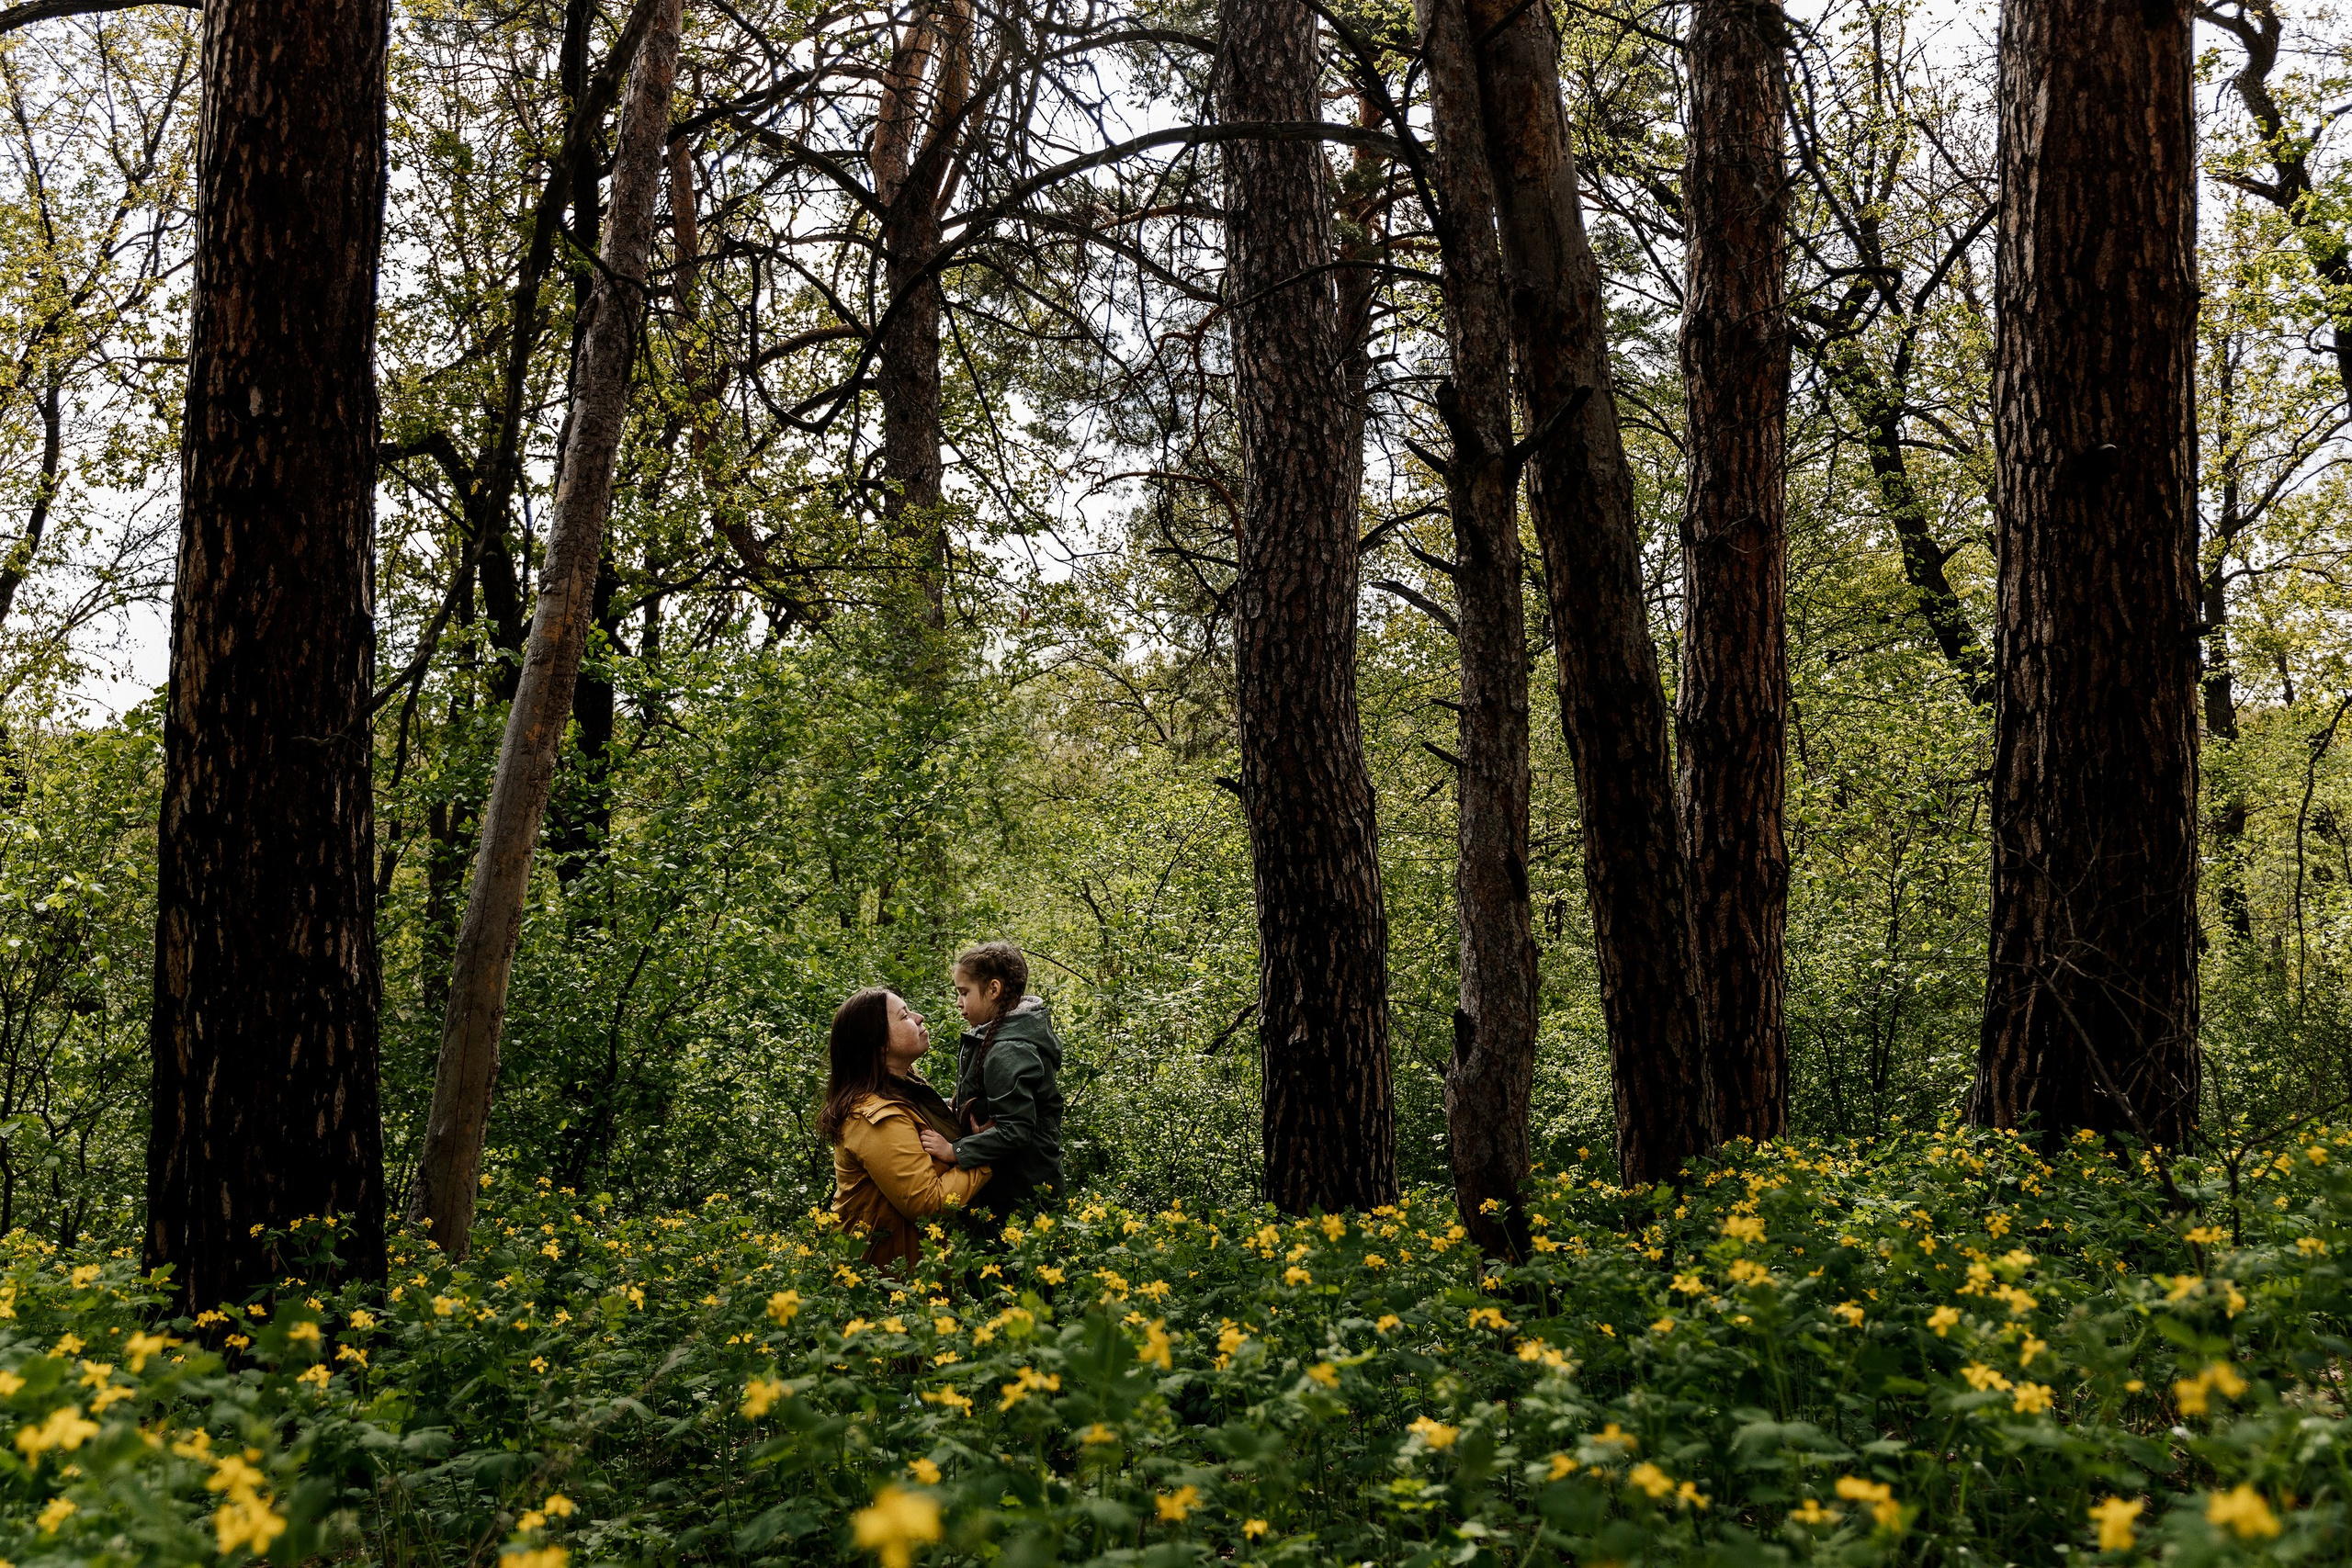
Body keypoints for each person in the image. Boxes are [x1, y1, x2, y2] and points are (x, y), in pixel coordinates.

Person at [821, 987, 989, 1269]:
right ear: (880, 1044)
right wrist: (986, 1151)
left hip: (917, 1275)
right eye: (904, 1016)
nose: (919, 1017)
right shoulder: (876, 1119)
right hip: (887, 1283)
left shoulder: (905, 1090)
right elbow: (930, 1205)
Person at [920, 942, 1064, 1224]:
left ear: (994, 989)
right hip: (1009, 1188)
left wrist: (954, 1151)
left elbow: (1016, 1130)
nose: (959, 1002)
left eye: (964, 992)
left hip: (1021, 1194)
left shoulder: (1008, 1049)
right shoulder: (997, 1037)